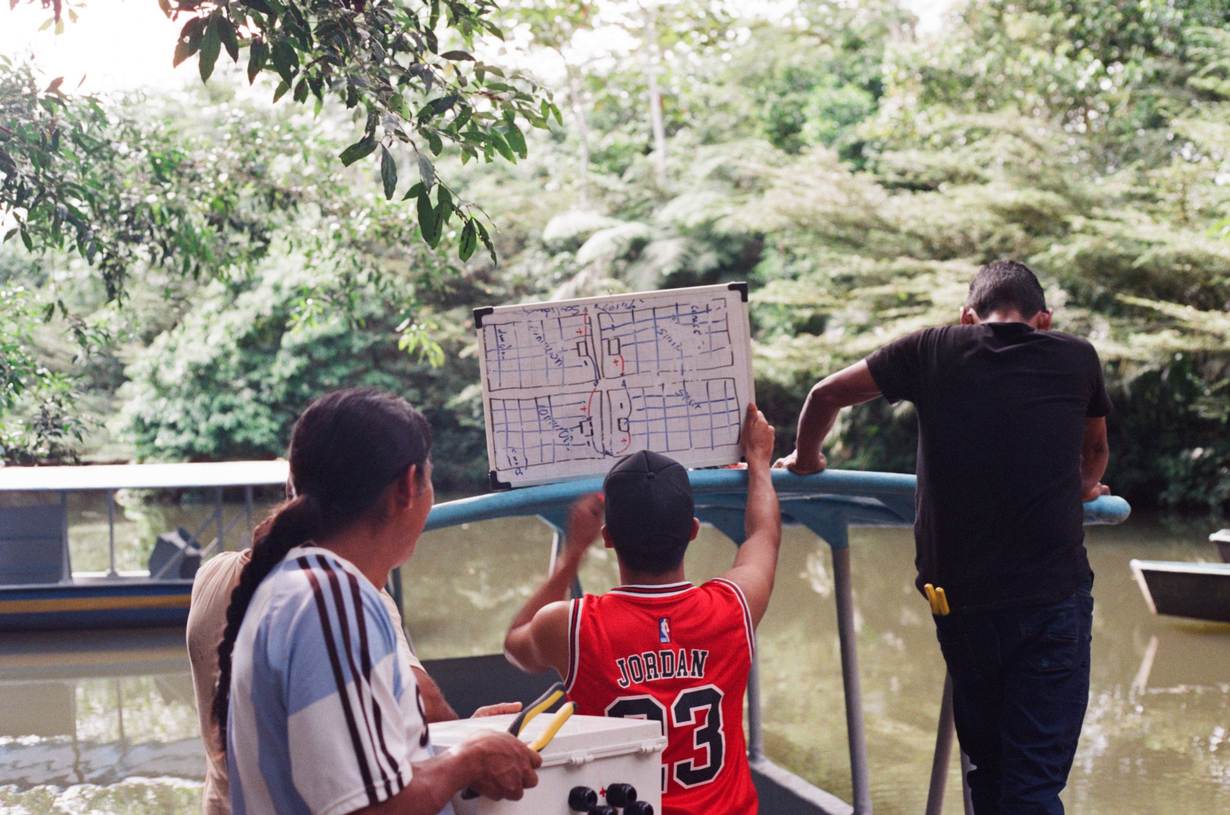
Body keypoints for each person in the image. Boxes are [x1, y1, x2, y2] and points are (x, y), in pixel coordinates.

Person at [775, 260, 1111, 815]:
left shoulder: (933, 348)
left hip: (960, 604)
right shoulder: (1076, 357)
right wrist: (1084, 487)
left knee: (991, 772)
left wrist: (806, 459)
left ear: (967, 316)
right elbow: (1094, 448)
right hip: (1051, 600)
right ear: (1044, 319)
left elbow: (825, 394)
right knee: (1031, 787)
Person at [213, 388, 541, 814]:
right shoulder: (329, 601)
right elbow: (372, 808)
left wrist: (461, 744)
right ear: (408, 486)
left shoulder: (306, 589)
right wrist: (470, 759)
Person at [504, 404, 780, 815]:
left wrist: (572, 552)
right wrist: (759, 461)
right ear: (692, 531)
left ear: (608, 538)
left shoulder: (572, 625)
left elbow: (515, 644)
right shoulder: (734, 607)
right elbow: (764, 533)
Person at [188, 547, 514, 813]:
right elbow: (421, 697)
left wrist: (461, 737)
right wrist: (468, 751)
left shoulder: (215, 572)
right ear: (405, 492)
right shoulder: (346, 596)